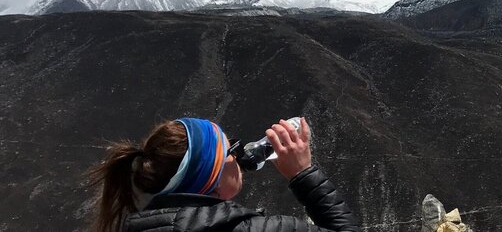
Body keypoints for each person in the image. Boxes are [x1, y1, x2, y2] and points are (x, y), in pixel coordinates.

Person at [87, 117, 361, 232]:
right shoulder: (239, 229)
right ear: (210, 176)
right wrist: (303, 173)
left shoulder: (139, 225)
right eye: (231, 151)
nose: (240, 158)